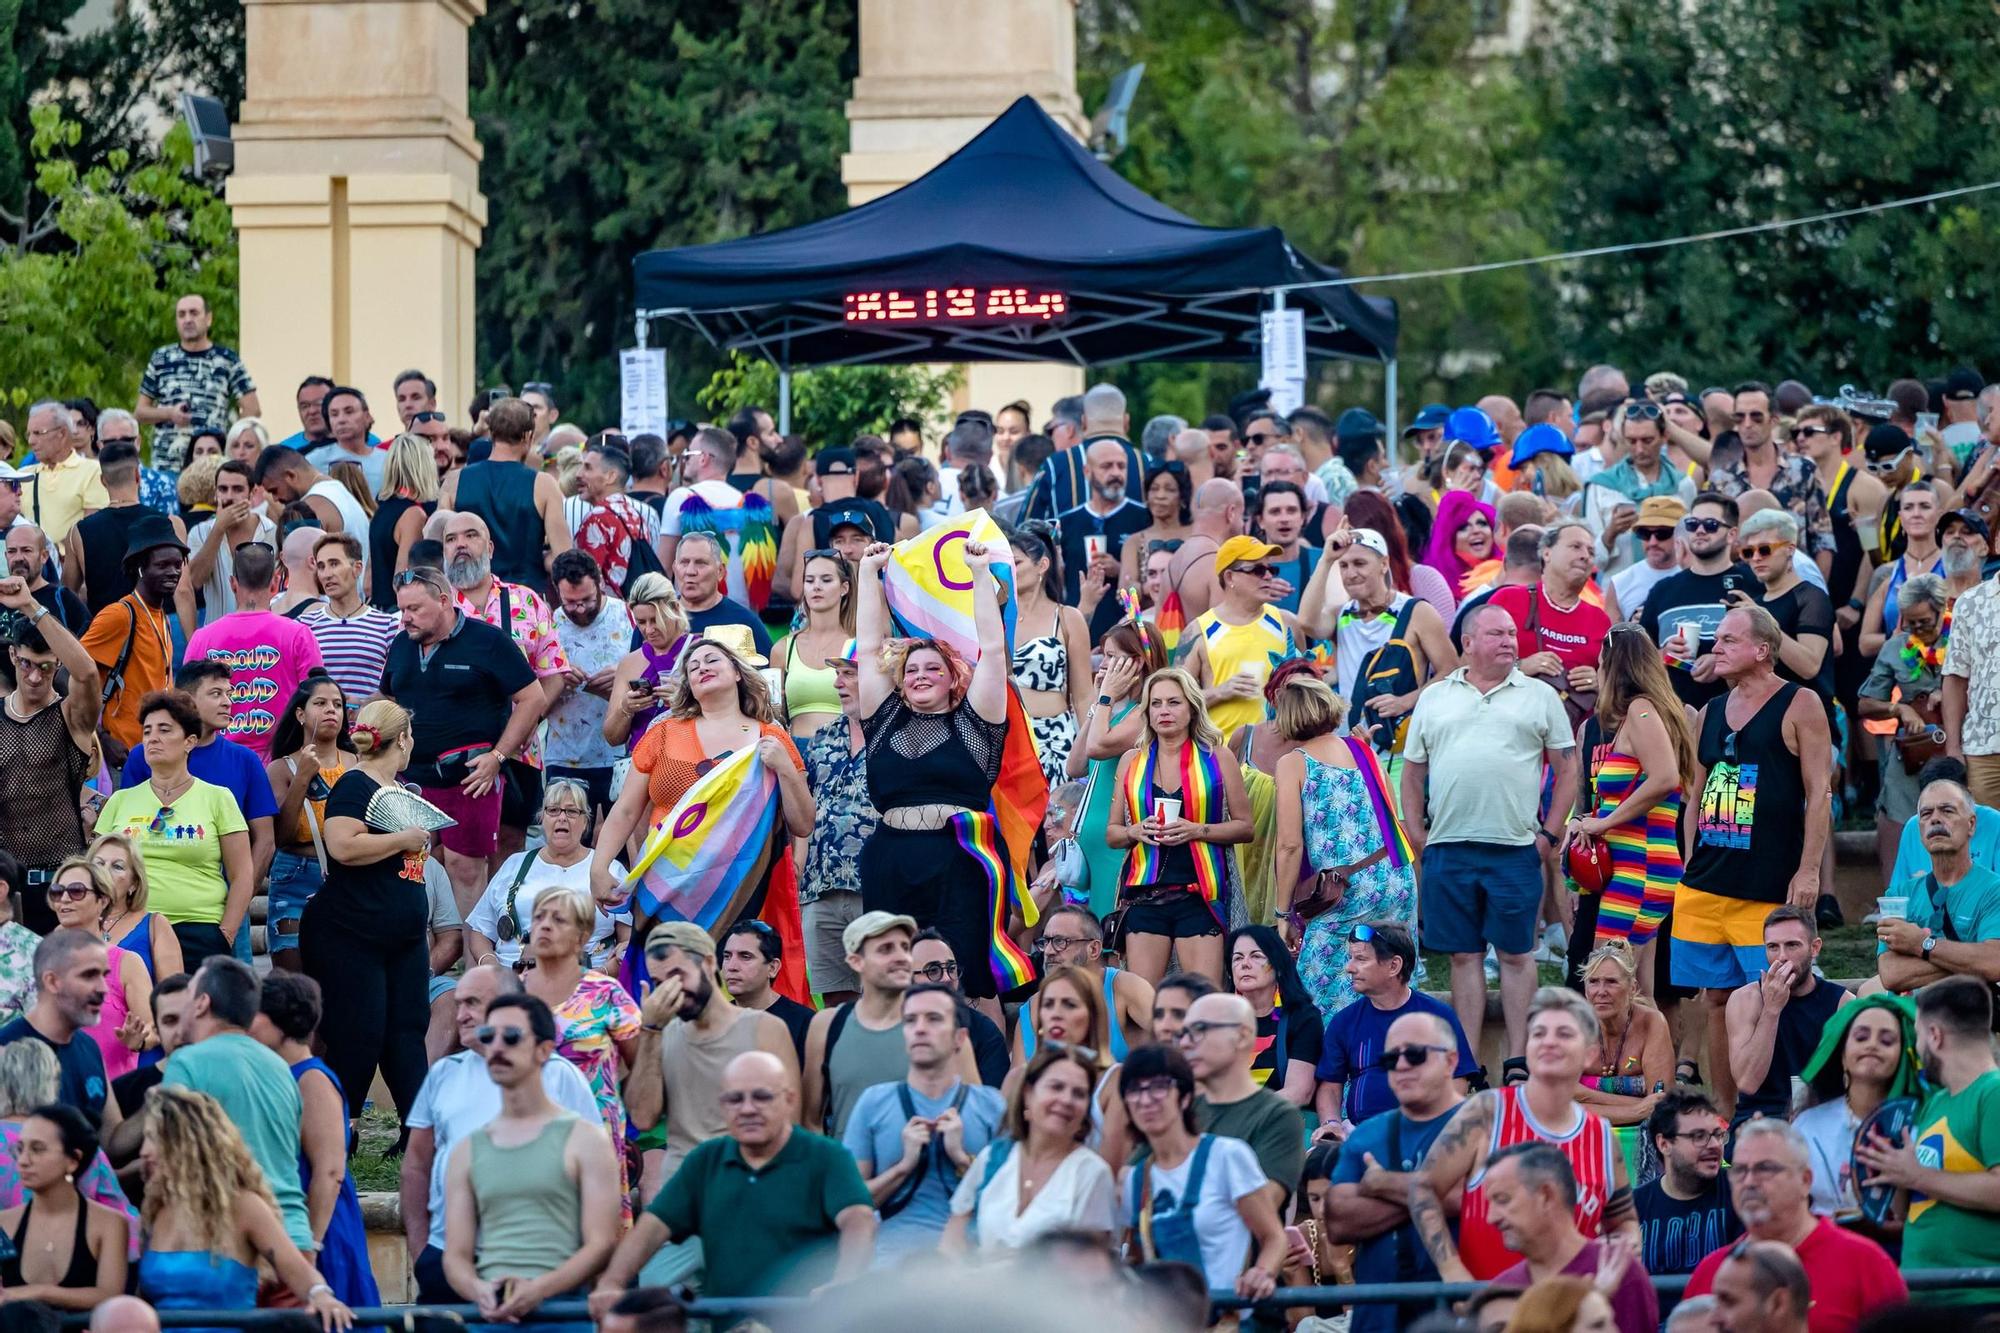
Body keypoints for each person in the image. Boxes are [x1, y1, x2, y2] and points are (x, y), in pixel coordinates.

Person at [1402, 604, 1577, 1076]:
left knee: (1518, 956)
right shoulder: (1435, 697)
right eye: (1496, 634)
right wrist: (1419, 838)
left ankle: (1519, 1059)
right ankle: (1467, 1064)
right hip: (1448, 849)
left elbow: (1567, 771)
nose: (1509, 641)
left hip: (1516, 849)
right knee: (1463, 956)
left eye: (1512, 633)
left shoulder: (1539, 696)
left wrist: (1549, 836)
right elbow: (1413, 774)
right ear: (1469, 642)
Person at [1680, 608, 1833, 1113]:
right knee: (1718, 1001)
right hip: (1705, 885)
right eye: (1716, 640)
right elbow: (1695, 794)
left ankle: (1785, 1113)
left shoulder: (1800, 702)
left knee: (1777, 998)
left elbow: (1820, 793)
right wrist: (1686, 862)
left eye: (1728, 640)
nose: (1715, 647)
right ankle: (1726, 1119)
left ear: (1761, 649)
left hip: (1767, 888)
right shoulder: (1709, 710)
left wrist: (1809, 869)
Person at [852, 539, 1015, 1002]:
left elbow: (993, 651)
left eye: (933, 668)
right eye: (911, 670)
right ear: (899, 682)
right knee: (890, 978)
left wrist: (980, 575)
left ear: (953, 678)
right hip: (891, 859)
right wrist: (869, 574)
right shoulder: (884, 720)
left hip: (959, 858)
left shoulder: (975, 724)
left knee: (968, 980)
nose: (921, 675)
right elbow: (868, 647)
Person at [591, 634, 813, 973]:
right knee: (663, 986)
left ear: (738, 673)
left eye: (712, 660)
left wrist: (785, 767)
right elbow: (625, 810)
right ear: (688, 687)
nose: (702, 668)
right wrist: (599, 866)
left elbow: (803, 823)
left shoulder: (771, 737)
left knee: (733, 989)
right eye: (693, 667)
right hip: (663, 888)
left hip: (742, 890)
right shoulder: (664, 733)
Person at [591, 1051, 875, 1305]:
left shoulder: (825, 1157)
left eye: (762, 1096)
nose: (748, 1108)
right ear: (722, 1106)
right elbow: (654, 1226)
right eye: (735, 1099)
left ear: (789, 1100)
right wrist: (612, 1283)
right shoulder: (707, 1160)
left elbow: (858, 1220)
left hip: (803, 1319)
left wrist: (843, 1283)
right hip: (731, 1322)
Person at [399, 963, 599, 1304]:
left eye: (472, 1003)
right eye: (458, 1003)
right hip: (449, 1261)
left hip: (545, 1268)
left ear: (510, 1006)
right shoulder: (443, 1075)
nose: (460, 1015)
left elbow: (593, 1175)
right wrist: (423, 1254)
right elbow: (416, 1166)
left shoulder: (560, 1076)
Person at [1408, 987, 1636, 1280]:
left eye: (1564, 1034)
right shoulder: (1487, 1113)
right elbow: (1423, 1188)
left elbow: (1625, 1223)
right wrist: (1451, 1269)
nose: (1549, 1042)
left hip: (1572, 1316)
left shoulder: (1602, 1137)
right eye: (1539, 1033)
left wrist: (1618, 1270)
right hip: (1489, 1313)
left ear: (1590, 1054)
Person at [294, 697, 432, 1125]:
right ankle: (341, 1130)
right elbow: (342, 845)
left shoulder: (399, 789)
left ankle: (418, 1129)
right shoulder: (356, 784)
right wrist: (403, 838)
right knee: (360, 1033)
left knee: (408, 1031)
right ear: (404, 739)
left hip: (402, 935)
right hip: (352, 933)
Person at [442, 992, 620, 1322]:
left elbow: (601, 1243)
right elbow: (456, 1256)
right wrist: (477, 1289)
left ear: (544, 1050)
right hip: (493, 1313)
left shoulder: (585, 1140)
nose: (496, 1047)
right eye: (488, 1036)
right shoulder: (467, 1149)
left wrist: (538, 1289)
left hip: (562, 1313)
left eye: (511, 1036)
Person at [381, 564, 544, 912]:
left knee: (465, 871)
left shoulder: (488, 640)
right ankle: (421, 963)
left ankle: (476, 964)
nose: (405, 618)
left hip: (469, 778)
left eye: (414, 609)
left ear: (443, 600)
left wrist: (498, 756)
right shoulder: (402, 644)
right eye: (402, 609)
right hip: (412, 781)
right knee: (409, 870)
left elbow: (533, 698)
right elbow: (388, 700)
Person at [135, 1086, 351, 1329]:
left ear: (185, 1143)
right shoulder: (157, 1208)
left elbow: (297, 1271)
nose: (144, 1152)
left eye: (153, 1139)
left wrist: (320, 1294)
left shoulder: (244, 1207)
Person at [1268, 670, 1419, 1014]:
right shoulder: (1363, 751)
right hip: (1395, 878)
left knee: (1316, 990)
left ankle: (1327, 1061)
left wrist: (1281, 913)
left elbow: (1289, 845)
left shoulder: (1293, 763)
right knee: (1389, 981)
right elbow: (1390, 816)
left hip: (1347, 889)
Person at [1850, 976, 2000, 1304]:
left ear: (1934, 1036)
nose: (1915, 1049)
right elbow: (1914, 1204)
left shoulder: (1993, 1093)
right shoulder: (1936, 1102)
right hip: (1922, 1295)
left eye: (1917, 1036)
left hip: (1978, 1301)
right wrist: (1889, 1173)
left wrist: (1917, 1176)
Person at [1323, 1007, 1472, 1333]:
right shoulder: (1365, 1134)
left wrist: (1382, 1184)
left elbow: (1467, 1199)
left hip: (1458, 1315)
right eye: (1391, 1059)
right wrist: (1433, 1193)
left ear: (1450, 1061)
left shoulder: (1482, 1124)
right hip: (1377, 1318)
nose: (1402, 1065)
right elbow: (1337, 1221)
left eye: (1416, 1055)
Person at [1682, 1119, 1906, 1332]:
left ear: (1805, 1180)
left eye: (1765, 1169)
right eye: (1740, 1170)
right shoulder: (1711, 1272)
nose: (1749, 1181)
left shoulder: (1865, 1264)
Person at [157, 958, 313, 1264]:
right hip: (294, 1241)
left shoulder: (187, 1063)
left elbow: (169, 1157)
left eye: (188, 995)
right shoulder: (280, 1067)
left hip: (230, 1247)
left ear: (201, 1003)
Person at [1105, 668, 1252, 986]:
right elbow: (1112, 833)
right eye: (1156, 704)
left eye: (1173, 702)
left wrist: (1197, 830)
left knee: (1203, 1000)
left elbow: (1245, 827)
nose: (1164, 711)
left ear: (1192, 708)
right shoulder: (1132, 760)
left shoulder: (1218, 757)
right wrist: (1135, 831)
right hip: (1144, 895)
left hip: (1200, 894)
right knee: (1143, 1004)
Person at [843, 982, 1007, 1265]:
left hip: (971, 1276)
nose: (920, 1028)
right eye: (910, 1020)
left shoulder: (991, 1106)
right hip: (890, 1274)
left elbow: (1013, 1204)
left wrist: (963, 1160)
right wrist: (901, 1168)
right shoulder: (873, 1102)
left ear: (959, 1038)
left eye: (933, 1019)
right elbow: (850, 1204)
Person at [1567, 624, 1697, 978]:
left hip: (1638, 868)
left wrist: (1604, 823)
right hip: (1637, 865)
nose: (1597, 672)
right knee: (1637, 995)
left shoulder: (1642, 710)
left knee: (1605, 985)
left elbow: (1666, 778)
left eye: (1600, 664)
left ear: (1615, 667)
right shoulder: (1641, 713)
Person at [626, 919, 798, 1183]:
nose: (671, 991)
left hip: (747, 1182)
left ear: (707, 964)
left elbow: (790, 1125)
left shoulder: (765, 1028)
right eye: (659, 981)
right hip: (683, 1190)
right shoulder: (661, 1034)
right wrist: (649, 1031)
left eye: (677, 976)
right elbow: (642, 1117)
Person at [93, 691, 252, 969]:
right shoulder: (120, 801)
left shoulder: (218, 798)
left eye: (165, 730)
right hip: (131, 930)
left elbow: (242, 875)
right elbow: (96, 872)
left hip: (199, 930)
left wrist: (225, 934)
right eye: (147, 731)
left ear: (190, 741)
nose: (153, 738)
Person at [1116, 1042, 1286, 1301]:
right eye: (1135, 1090)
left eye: (1159, 1087)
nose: (1145, 1099)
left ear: (1185, 1097)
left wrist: (1262, 1273)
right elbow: (1139, 1259)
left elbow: (1274, 1237)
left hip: (1229, 1322)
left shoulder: (1226, 1156)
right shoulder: (1136, 1180)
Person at [248, 974, 378, 1306]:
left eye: (255, 1015)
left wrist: (312, 1246)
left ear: (281, 1022)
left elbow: (330, 1171)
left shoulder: (311, 1079)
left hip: (322, 1226)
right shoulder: (281, 1077)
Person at [941, 1044, 1116, 1254]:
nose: (1066, 1100)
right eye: (1056, 1087)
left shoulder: (1091, 1173)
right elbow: (952, 1240)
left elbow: (1091, 1267)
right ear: (1028, 1094)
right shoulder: (994, 1158)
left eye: (1079, 1094)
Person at [0, 586, 103, 938]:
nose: (34, 677)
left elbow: (88, 674)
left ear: (57, 662)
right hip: (7, 886)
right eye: (26, 663)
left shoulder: (71, 716)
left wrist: (31, 606)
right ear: (12, 655)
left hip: (63, 882)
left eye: (45, 667)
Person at [1474, 1144, 1659, 1333]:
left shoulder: (1620, 1273)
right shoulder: (1502, 1290)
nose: (1492, 1217)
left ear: (1546, 1196)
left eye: (1503, 1200)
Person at [1314, 922, 1476, 1133]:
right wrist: (1331, 1124)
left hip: (1425, 1130)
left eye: (1361, 959)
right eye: (1351, 958)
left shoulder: (1437, 1016)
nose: (1349, 967)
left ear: (1393, 966)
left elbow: (1457, 1079)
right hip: (1359, 1132)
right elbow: (1330, 1086)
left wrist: (1433, 1124)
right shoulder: (1344, 1021)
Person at [464, 778, 629, 972]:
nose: (562, 817)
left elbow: (627, 941)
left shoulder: (610, 869)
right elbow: (480, 930)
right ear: (542, 819)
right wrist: (493, 969)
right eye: (553, 810)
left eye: (572, 811)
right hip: (513, 976)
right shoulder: (514, 864)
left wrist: (599, 975)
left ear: (585, 822)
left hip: (589, 978)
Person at [180, 540, 324, 759]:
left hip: (217, 764)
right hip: (281, 768)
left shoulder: (202, 639)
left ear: (233, 583)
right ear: (276, 582)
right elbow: (317, 703)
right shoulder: (299, 635)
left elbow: (184, 705)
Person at [1070, 617, 1168, 918]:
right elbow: (1075, 764)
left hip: (1118, 838)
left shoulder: (1145, 711)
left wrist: (1105, 698)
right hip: (1092, 841)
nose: (1103, 663)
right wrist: (1100, 704)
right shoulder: (1111, 708)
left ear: (1137, 663)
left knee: (1112, 929)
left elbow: (1098, 747)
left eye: (1112, 657)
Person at [1792, 995, 1918, 1219]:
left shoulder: (1919, 1124)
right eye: (1861, 1037)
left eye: (1887, 1041)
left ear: (1902, 1057)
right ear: (1842, 1056)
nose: (1872, 1045)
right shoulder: (1807, 1126)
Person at [1174, 993, 1303, 1211]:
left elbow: (1261, 1208)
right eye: (1184, 1033)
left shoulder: (1278, 1116)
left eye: (1199, 1030)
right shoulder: (1179, 1110)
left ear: (1242, 1036)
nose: (1185, 1043)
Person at [797, 641, 875, 1003]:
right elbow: (805, 809)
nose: (837, 683)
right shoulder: (823, 736)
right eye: (837, 674)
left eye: (849, 673)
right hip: (819, 889)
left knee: (886, 994)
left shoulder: (903, 733)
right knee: (833, 1004)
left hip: (877, 886)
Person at [1725, 907, 1853, 1124]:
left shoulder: (1842, 1003)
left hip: (1822, 1116)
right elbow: (1747, 1082)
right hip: (1759, 1117)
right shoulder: (1745, 1000)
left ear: (1815, 948)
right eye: (1773, 947)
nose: (1782, 957)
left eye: (1792, 945)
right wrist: (1771, 1010)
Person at [79, 517, 185, 770]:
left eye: (177, 564)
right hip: (121, 757)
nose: (173, 572)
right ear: (139, 568)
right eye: (162, 565)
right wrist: (101, 739)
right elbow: (68, 676)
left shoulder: (161, 617)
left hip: (154, 755)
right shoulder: (119, 615)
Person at [437, 397, 573, 594]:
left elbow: (440, 544)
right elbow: (563, 556)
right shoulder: (544, 485)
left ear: (491, 433)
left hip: (468, 598)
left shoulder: (454, 481)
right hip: (525, 598)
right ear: (528, 435)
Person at [1875, 778, 2000, 992]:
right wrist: (1971, 959)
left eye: (1947, 811)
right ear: (1919, 829)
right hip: (1915, 1017)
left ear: (1971, 824)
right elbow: (1891, 973)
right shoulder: (1899, 894)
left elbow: (1993, 962)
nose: (1935, 819)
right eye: (1926, 814)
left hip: (1973, 1017)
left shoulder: (1994, 890)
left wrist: (1920, 943)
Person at [260, 674, 349, 971]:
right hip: (293, 874)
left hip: (346, 875)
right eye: (320, 703)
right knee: (291, 976)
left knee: (341, 972)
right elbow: (280, 835)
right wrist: (301, 779)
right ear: (300, 714)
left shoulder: (356, 763)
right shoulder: (280, 768)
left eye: (337, 704)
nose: (331, 711)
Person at [0, 1104, 129, 1308]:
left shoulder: (109, 1223)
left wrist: (40, 1291)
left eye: (37, 1149)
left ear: (73, 1160)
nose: (23, 1160)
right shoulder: (4, 1223)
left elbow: (110, 1296)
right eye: (20, 1149)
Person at [0, 931, 119, 1133]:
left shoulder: (88, 1047)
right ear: (52, 982)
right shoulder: (7, 1050)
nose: (103, 988)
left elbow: (112, 1139)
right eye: (89, 975)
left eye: (104, 975)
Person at [43, 861, 151, 1082]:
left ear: (103, 900)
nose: (64, 899)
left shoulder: (127, 962)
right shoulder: (40, 958)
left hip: (111, 1093)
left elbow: (152, 1029)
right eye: (57, 892)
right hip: (50, 1096)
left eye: (76, 891)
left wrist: (138, 1040)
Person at [1183, 535, 1300, 738]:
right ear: (1229, 577)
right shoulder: (1198, 631)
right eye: (1257, 570)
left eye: (1270, 569)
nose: (1267, 576)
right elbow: (1175, 702)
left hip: (1279, 754)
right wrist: (1220, 692)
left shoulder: (1287, 623)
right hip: (1220, 755)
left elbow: (1308, 688)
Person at [1008, 524, 1095, 784]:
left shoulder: (1068, 618)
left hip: (1055, 738)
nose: (1008, 570)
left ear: (1042, 565)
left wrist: (1092, 753)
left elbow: (1083, 696)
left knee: (1058, 821)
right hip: (1008, 740)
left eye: (1016, 563)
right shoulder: (995, 617)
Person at [64, 442, 190, 619]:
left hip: (105, 634)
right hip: (156, 632)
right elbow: (182, 590)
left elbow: (68, 595)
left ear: (103, 480)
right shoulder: (171, 523)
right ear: (138, 475)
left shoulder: (78, 531)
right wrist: (192, 640)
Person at [134, 297, 260, 474]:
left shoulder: (226, 359)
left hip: (211, 466)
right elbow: (140, 412)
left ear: (208, 319)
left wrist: (232, 444)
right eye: (181, 315)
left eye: (194, 313)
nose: (187, 320)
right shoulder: (161, 358)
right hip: (167, 464)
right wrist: (169, 413)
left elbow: (252, 409)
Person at [1733, 510, 1835, 708]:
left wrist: (1761, 620)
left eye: (1764, 549)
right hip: (1759, 714)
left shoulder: (1811, 597)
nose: (1755, 558)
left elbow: (1810, 666)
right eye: (1748, 552)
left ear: (1790, 549)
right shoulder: (1754, 602)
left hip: (1809, 718)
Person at [1635, 1091, 1741, 1278]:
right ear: (1664, 1144)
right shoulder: (1635, 1207)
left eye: (1718, 1135)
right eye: (1698, 1136)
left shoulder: (1739, 1192)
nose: (1714, 1145)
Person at [1573, 943, 1672, 1126]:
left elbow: (1662, 1105)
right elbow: (1559, 1102)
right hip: (1582, 1131)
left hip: (1643, 1131)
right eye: (1593, 982)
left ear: (1632, 988)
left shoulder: (1651, 1023)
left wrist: (1583, 1096)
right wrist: (1638, 1108)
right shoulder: (1574, 1026)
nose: (1601, 992)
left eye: (1611, 982)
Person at [1222, 924, 1321, 1106]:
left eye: (1256, 956)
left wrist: (1242, 1112)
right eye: (1237, 958)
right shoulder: (1219, 1019)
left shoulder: (1303, 1018)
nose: (1244, 964)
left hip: (1276, 1123)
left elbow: (1300, 1091)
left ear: (1279, 967)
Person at [910, 930, 1011, 1088]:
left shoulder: (984, 1032)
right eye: (933, 971)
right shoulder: (892, 1031)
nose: (947, 978)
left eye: (951, 969)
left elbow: (994, 1103)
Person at [772, 549, 854, 738]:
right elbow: (774, 714)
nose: (816, 587)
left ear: (844, 588)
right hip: (795, 751)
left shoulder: (857, 645)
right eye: (809, 581)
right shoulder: (783, 648)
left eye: (826, 580)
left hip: (845, 751)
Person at [184, 460, 278, 620]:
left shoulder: (272, 531)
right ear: (215, 493)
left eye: (237, 489)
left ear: (253, 492)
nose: (229, 497)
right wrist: (219, 529)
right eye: (223, 489)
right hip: (218, 638)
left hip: (261, 634)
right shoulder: (199, 532)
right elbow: (195, 581)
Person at [17, 401, 108, 550]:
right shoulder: (23, 475)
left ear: (62, 433)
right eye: (29, 434)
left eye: (38, 433)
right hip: (31, 568)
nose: (31, 441)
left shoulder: (92, 471)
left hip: (72, 567)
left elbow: (92, 531)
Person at [366, 434, 440, 609]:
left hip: (377, 606)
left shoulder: (381, 509)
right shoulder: (413, 515)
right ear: (425, 466)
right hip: (397, 610)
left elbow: (367, 580)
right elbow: (402, 576)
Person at [1603, 497, 1690, 624]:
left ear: (1681, 534)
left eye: (1662, 533)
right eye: (1644, 533)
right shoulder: (1620, 582)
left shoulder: (1698, 576)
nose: (1652, 542)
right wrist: (1633, 629)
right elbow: (1610, 640)